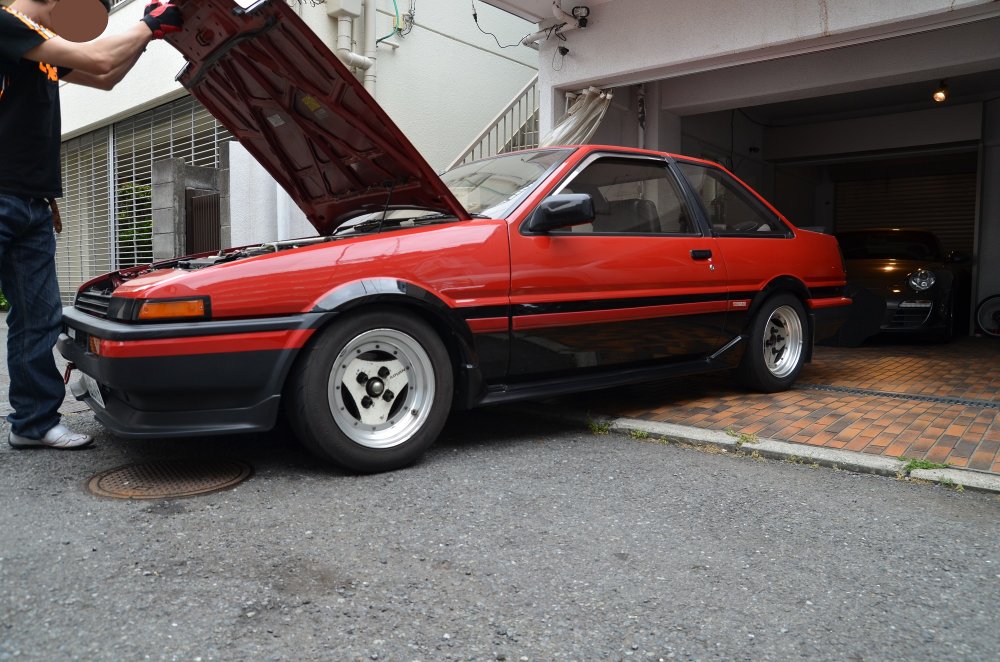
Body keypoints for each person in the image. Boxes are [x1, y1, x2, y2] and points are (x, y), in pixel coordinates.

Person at [1, 0, 182, 449]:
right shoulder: (5, 25)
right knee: (34, 317)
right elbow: (100, 56)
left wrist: (149, 37)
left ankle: (34, 423)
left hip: (33, 203)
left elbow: (105, 76)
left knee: (38, 317)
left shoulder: (41, 51)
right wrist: (149, 23)